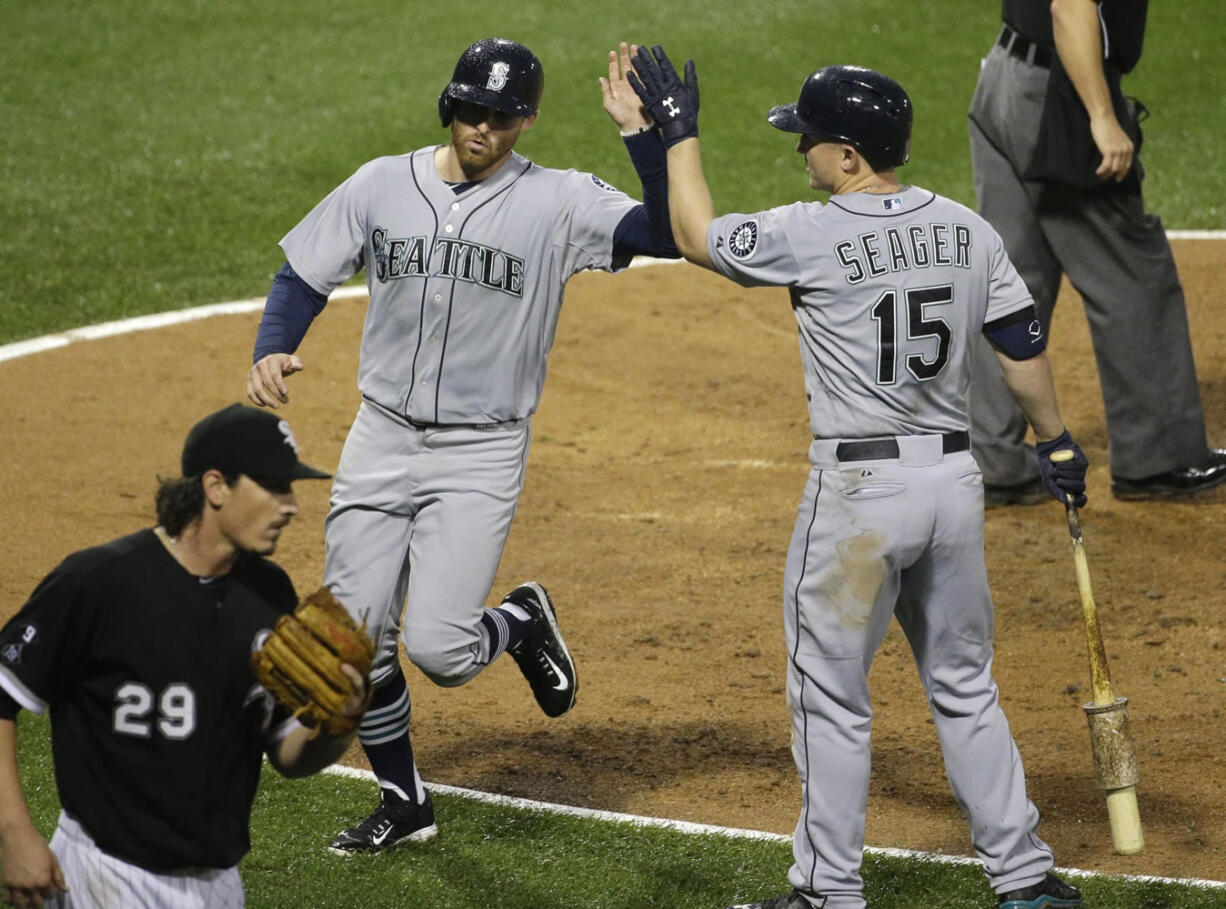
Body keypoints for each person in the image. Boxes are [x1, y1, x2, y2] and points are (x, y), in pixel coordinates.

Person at [629, 47, 1085, 909]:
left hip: (859, 502)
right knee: (964, 685)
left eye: (810, 140)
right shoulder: (966, 226)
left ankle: (827, 891)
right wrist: (1056, 441)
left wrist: (677, 135)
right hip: (955, 486)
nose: (801, 151)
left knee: (829, 695)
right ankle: (1025, 879)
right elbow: (1021, 346)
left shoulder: (812, 233)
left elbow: (694, 236)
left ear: (849, 157)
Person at [244, 38, 680, 853]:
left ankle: (519, 620)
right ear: (450, 104)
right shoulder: (382, 182)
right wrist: (274, 345)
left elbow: (666, 234)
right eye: (471, 110)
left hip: (479, 452)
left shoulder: (558, 201)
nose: (482, 127)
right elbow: (303, 274)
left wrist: (646, 140)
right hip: (381, 436)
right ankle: (405, 800)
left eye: (502, 116)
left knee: (441, 649)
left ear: (527, 120)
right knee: (352, 638)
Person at [0, 404, 361, 909]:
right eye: (275, 487)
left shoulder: (268, 594)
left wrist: (338, 726)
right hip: (103, 876)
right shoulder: (100, 581)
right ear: (216, 487)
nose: (290, 505)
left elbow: (288, 756)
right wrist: (12, 834)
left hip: (218, 886)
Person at [967, 0, 1226, 506]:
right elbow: (1070, 5)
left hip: (1003, 76)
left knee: (1010, 281)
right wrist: (1102, 114)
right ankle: (1160, 457)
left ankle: (992, 458)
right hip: (1060, 94)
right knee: (1132, 273)